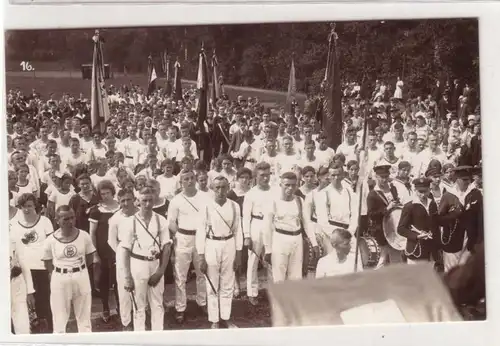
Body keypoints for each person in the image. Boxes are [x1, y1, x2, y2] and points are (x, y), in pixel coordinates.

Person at [121, 187, 173, 331]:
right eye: (144, 200)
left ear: (154, 200)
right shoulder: (130, 222)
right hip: (137, 265)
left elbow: (166, 247)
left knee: (157, 304)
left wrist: (160, 271)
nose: (148, 204)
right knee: (139, 305)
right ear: (138, 201)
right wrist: (127, 277)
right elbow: (125, 251)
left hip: (155, 263)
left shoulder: (160, 220)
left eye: (150, 200)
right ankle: (140, 337)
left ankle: (157, 337)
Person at [197, 176, 243, 329]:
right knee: (212, 284)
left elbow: (238, 231)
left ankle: (226, 317)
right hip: (211, 244)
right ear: (212, 188)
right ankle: (214, 319)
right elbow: (200, 232)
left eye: (224, 187)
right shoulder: (206, 206)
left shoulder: (235, 206)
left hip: (229, 244)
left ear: (228, 187)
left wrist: (238, 254)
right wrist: (201, 256)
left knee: (227, 283)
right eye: (217, 187)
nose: (220, 191)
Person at [42, 206, 95, 333]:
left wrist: (78, 270)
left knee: (84, 318)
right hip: (60, 277)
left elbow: (89, 257)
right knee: (59, 318)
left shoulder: (84, 236)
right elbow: (48, 261)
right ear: (57, 220)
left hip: (81, 275)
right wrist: (57, 275)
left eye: (72, 218)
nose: (70, 221)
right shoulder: (50, 240)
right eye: (65, 219)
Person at [167, 169, 208, 323]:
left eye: (192, 178)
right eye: (186, 179)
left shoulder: (205, 197)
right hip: (183, 238)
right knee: (180, 276)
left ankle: (202, 302)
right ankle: (180, 308)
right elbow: (171, 222)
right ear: (181, 182)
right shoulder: (176, 200)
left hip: (201, 237)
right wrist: (179, 234)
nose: (190, 181)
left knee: (202, 273)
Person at [263, 172, 319, 283]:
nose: (290, 188)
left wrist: (315, 243)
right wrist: (268, 249)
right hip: (280, 240)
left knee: (296, 276)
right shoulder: (273, 201)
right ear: (281, 185)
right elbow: (267, 227)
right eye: (287, 185)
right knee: (279, 276)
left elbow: (307, 223)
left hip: (297, 240)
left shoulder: (299, 200)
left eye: (293, 185)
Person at [10, 193, 54, 333]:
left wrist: (50, 270)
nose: (26, 209)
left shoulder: (45, 221)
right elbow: (14, 250)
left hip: (41, 268)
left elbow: (51, 247)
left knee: (44, 303)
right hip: (23, 271)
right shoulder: (14, 225)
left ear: (35, 206)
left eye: (29, 206)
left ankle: (48, 333)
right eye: (23, 207)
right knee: (24, 305)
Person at [88, 180, 121, 323]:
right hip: (103, 250)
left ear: (113, 192)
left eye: (108, 193)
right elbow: (92, 233)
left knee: (119, 279)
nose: (105, 196)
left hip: (119, 249)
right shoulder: (96, 210)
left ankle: (121, 307)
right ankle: (106, 308)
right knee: (104, 281)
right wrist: (95, 253)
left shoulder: (121, 207)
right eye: (102, 193)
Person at [242, 162, 274, 306]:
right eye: (262, 175)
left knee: (271, 258)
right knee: (253, 260)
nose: (265, 178)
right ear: (256, 176)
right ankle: (252, 292)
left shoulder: (275, 191)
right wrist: (247, 235)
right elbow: (246, 216)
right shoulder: (251, 194)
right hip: (256, 224)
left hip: (271, 226)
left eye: (267, 175)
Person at [107, 188, 138, 331]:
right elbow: (111, 240)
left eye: (128, 199)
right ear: (119, 202)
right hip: (122, 255)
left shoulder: (141, 214)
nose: (126, 203)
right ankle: (126, 322)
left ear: (134, 199)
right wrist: (122, 253)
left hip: (141, 256)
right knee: (124, 290)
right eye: (122, 201)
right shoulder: (115, 218)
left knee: (141, 286)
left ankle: (141, 316)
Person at [367, 165, 403, 268]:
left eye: (386, 176)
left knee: (397, 259)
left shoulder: (393, 189)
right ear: (376, 177)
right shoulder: (373, 194)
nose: (384, 179)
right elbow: (372, 215)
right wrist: (386, 209)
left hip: (394, 229)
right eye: (381, 177)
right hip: (381, 230)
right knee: (381, 261)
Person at [9, 191, 35, 335]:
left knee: (21, 319)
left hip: (16, 281)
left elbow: (23, 262)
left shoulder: (13, 233)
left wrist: (30, 291)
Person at [397, 177, 439, 265]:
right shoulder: (409, 206)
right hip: (416, 249)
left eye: (425, 191)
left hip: (431, 249)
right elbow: (401, 229)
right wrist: (416, 236)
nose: (423, 195)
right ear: (415, 190)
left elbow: (435, 224)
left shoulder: (433, 204)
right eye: (420, 192)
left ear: (429, 189)